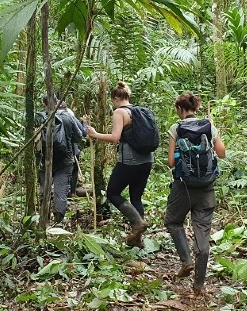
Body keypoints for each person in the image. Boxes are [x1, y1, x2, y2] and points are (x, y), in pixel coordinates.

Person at [165, 92, 226, 294]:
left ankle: (186, 260)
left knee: (173, 221)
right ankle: (199, 284)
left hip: (183, 187)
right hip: (206, 189)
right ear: (196, 108)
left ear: (180, 109)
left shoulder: (176, 128)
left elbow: (171, 163)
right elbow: (222, 153)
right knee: (203, 233)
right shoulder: (209, 126)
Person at [86, 82, 151, 246]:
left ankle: (138, 223)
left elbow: (115, 138)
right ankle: (138, 239)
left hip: (129, 161)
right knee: (136, 197)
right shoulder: (140, 111)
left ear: (116, 98)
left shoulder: (120, 112)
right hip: (147, 160)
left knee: (113, 193)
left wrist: (95, 134)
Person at [37, 95, 84, 223]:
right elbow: (79, 137)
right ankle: (58, 220)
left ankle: (43, 217)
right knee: (61, 190)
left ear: (44, 104)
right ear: (57, 102)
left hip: (44, 159)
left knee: (43, 188)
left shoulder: (40, 118)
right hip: (65, 159)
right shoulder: (68, 117)